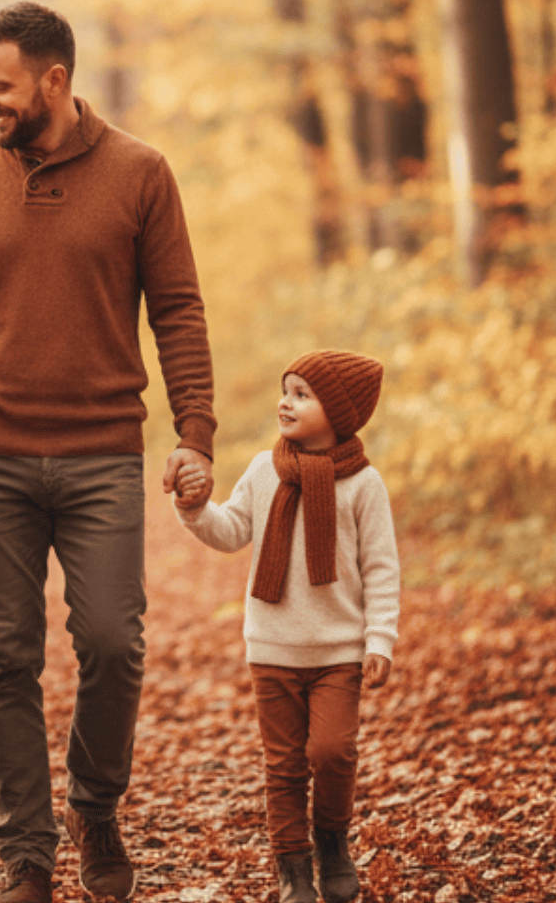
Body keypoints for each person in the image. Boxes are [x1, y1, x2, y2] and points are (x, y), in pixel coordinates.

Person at [0, 1, 217, 903]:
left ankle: (94, 808)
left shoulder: (141, 173)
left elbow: (176, 308)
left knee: (112, 640)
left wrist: (196, 434)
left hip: (104, 448)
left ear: (54, 81)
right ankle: (26, 852)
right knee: (8, 653)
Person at [171, 350, 399, 903]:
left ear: (338, 413)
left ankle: (332, 841)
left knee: (332, 751)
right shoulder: (263, 470)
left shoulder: (364, 485)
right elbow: (231, 530)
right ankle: (293, 868)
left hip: (338, 650)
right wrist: (196, 509)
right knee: (284, 764)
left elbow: (381, 566)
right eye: (286, 390)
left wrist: (379, 638)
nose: (286, 402)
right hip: (272, 648)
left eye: (303, 394)